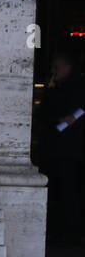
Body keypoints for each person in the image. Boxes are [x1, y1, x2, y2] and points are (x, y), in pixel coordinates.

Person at [38, 49, 85, 245]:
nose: (53, 71)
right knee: (58, 191)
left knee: (69, 191)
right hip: (58, 148)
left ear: (67, 68)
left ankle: (70, 231)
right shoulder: (58, 88)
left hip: (70, 149)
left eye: (56, 68)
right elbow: (44, 114)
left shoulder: (76, 88)